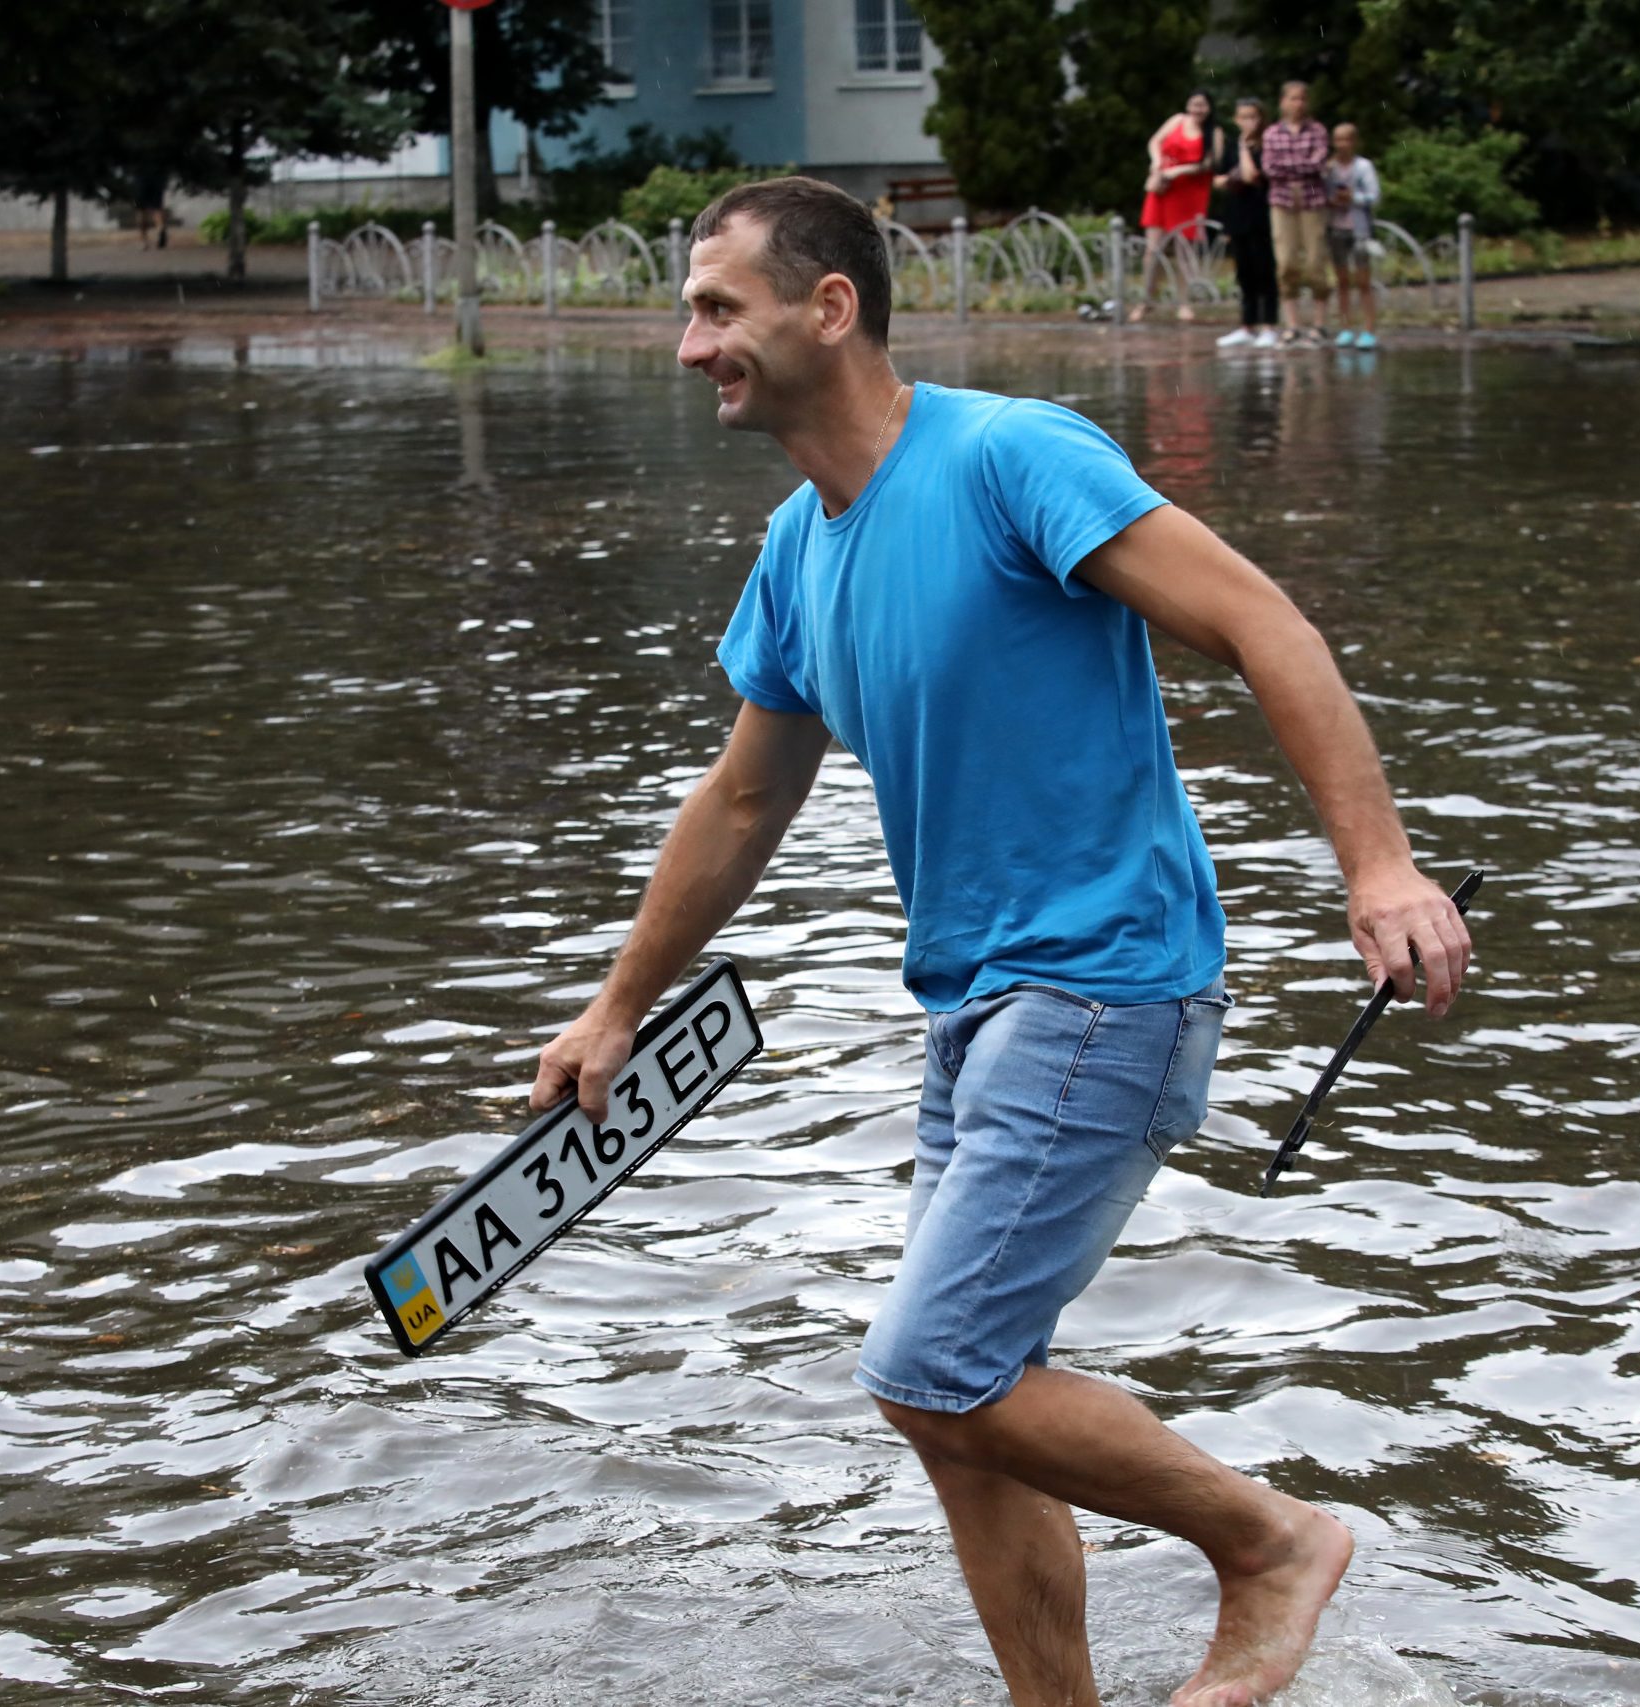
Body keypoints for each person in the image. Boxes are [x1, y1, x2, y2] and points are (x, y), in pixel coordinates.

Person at [529, 174, 1472, 1707]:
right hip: (974, 1007)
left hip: (1106, 981)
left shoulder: (1009, 458)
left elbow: (1264, 624)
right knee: (963, 1409)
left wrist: (1377, 868)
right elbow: (745, 793)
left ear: (827, 309)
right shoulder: (800, 543)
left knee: (931, 1365)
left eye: (716, 308)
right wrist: (619, 1004)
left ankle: (1274, 1544)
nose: (688, 344)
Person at [1130, 92, 1219, 324]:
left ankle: (1184, 302)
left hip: (1189, 194)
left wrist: (1179, 170)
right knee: (1152, 251)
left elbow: (1209, 164)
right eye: (1194, 104)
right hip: (1162, 191)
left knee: (1183, 252)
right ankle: (1147, 299)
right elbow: (1155, 141)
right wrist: (1156, 161)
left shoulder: (1214, 133)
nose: (1197, 109)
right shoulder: (1176, 121)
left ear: (1209, 108)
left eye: (1202, 105)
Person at [1260, 81, 1330, 346]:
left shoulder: (1317, 131)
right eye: (1292, 99)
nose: (1297, 104)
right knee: (1286, 262)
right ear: (1282, 102)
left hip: (1313, 201)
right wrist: (1301, 169)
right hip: (1282, 202)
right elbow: (1270, 168)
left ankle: (1320, 324)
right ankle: (1292, 325)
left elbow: (1319, 163)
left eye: (1302, 99)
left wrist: (1293, 169)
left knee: (1315, 262)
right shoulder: (1272, 133)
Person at [1214, 97, 1280, 349]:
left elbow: (1252, 175)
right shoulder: (1232, 145)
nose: (1248, 122)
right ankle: (1247, 324)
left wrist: (1244, 149)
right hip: (1237, 213)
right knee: (1244, 273)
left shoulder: (1265, 146)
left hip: (1260, 213)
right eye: (1243, 117)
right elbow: (1219, 179)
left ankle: (1269, 325)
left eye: (1253, 117)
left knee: (1264, 271)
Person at [1325, 124, 1381, 349]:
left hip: (1359, 229)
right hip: (1336, 227)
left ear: (1354, 142)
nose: (1342, 145)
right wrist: (1332, 199)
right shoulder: (1329, 168)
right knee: (1342, 281)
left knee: (1363, 281)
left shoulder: (1364, 167)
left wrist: (1353, 197)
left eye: (1346, 140)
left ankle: (1368, 329)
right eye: (1338, 140)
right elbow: (1316, 190)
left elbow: (1374, 196)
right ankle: (1345, 327)